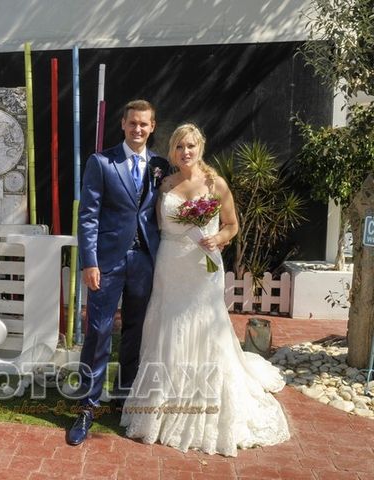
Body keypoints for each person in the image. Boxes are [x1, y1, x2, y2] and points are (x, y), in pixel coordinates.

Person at [120, 123, 290, 456]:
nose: (185, 152)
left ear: (201, 148)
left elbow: (232, 225)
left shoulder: (215, 184)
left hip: (203, 267)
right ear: (172, 151)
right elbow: (156, 226)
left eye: (191, 147)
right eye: (180, 147)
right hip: (170, 266)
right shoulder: (164, 184)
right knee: (168, 326)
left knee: (204, 330)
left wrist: (219, 238)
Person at [67, 100, 170, 446]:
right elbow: (89, 215)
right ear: (123, 125)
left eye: (144, 124)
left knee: (136, 335)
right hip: (107, 263)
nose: (138, 129)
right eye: (132, 124)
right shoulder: (101, 161)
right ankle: (86, 407)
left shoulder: (160, 165)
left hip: (145, 262)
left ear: (152, 126)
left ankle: (123, 400)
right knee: (98, 333)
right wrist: (89, 262)